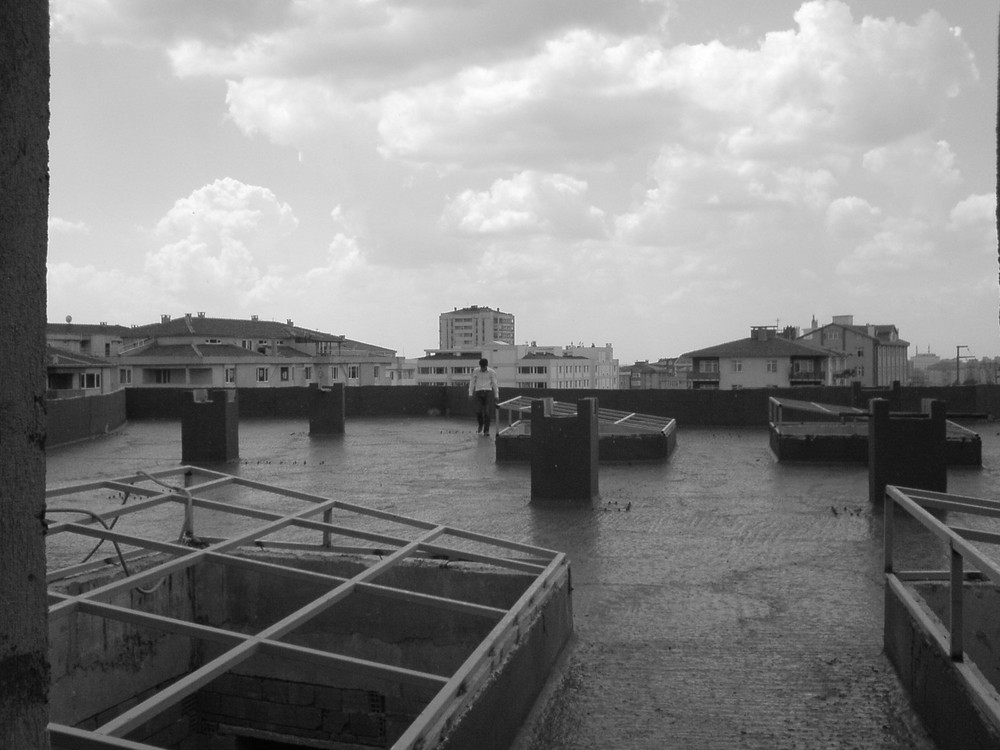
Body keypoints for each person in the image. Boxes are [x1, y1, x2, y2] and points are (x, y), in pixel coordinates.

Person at [468, 358, 500, 435]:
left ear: (486, 366)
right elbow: (472, 382)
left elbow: (495, 384)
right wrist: (470, 393)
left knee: (487, 412)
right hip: (478, 392)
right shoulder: (476, 371)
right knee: (478, 411)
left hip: (488, 392)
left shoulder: (492, 372)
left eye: (484, 367)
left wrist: (496, 395)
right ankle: (480, 424)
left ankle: (486, 430)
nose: (483, 369)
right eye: (481, 367)